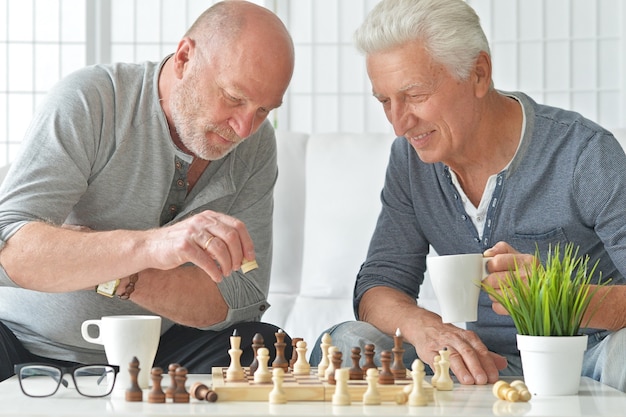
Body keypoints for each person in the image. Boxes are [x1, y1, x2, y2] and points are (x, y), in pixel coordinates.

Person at [310, 0, 626, 392]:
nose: (399, 123)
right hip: (476, 367)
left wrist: (558, 296)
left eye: (415, 94)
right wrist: (424, 328)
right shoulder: (411, 159)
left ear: (479, 74)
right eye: (384, 101)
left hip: (584, 362)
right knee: (344, 343)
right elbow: (379, 284)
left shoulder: (584, 152)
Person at [0, 0, 295, 382]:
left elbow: (242, 296)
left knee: (265, 347)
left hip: (158, 354)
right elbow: (10, 249)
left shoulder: (255, 146)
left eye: (263, 110)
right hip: (23, 341)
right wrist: (153, 248)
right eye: (234, 98)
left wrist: (123, 276)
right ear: (185, 58)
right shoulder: (93, 100)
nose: (243, 128)